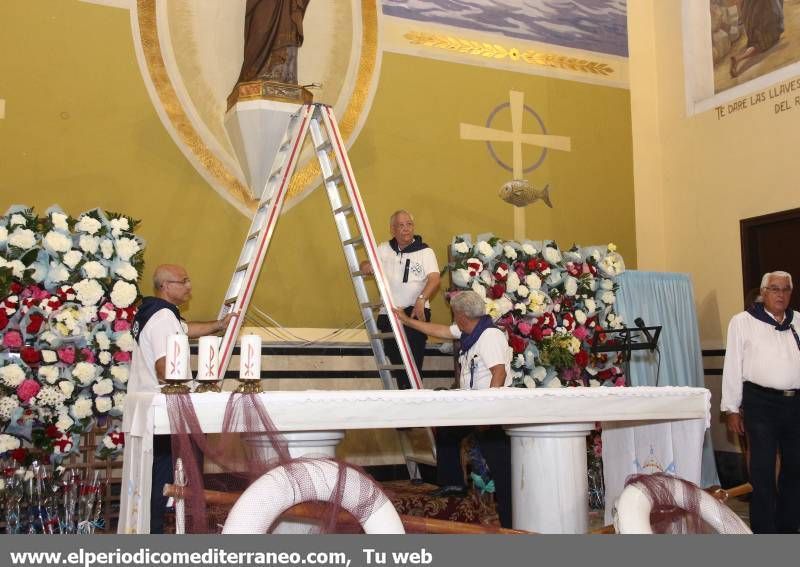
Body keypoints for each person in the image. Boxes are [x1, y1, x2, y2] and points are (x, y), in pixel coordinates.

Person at [129, 264, 234, 534]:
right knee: (167, 480)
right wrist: (197, 386)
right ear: (165, 286)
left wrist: (219, 325)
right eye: (183, 281)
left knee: (155, 477)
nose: (189, 286)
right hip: (167, 411)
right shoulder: (163, 317)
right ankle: (162, 536)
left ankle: (151, 531)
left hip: (152, 410)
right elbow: (165, 370)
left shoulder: (155, 313)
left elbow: (185, 329)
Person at [394, 291, 513, 528]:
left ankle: (511, 522)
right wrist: (406, 321)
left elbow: (499, 373)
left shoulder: (488, 336)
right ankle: (454, 483)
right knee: (448, 431)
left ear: (461, 315)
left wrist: (489, 413)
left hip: (491, 412)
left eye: (454, 314)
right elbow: (439, 331)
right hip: (472, 408)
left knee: (502, 471)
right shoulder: (470, 331)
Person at [721, 270, 800, 533]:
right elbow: (732, 365)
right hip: (760, 403)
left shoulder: (798, 321)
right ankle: (765, 532)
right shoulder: (742, 322)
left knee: (795, 467)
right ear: (763, 292)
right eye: (775, 289)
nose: (781, 294)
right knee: (763, 470)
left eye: (786, 289)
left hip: (795, 404)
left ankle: (789, 528)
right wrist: (731, 408)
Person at [360, 210, 440, 389]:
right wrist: (365, 265)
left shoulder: (425, 251)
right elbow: (366, 264)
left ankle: (412, 397)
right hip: (389, 313)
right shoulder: (383, 248)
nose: (406, 229)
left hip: (414, 312)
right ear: (392, 230)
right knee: (396, 361)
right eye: (401, 225)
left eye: (409, 224)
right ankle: (405, 394)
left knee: (412, 363)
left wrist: (422, 298)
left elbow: (435, 278)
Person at [236, 0, 311, 85]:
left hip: (287, 6)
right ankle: (254, 75)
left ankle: (282, 76)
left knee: (285, 28)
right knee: (260, 32)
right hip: (265, 5)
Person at [730, 0, 784, 78]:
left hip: (752, 14)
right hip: (762, 14)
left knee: (758, 40)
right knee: (762, 44)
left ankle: (741, 56)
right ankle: (738, 59)